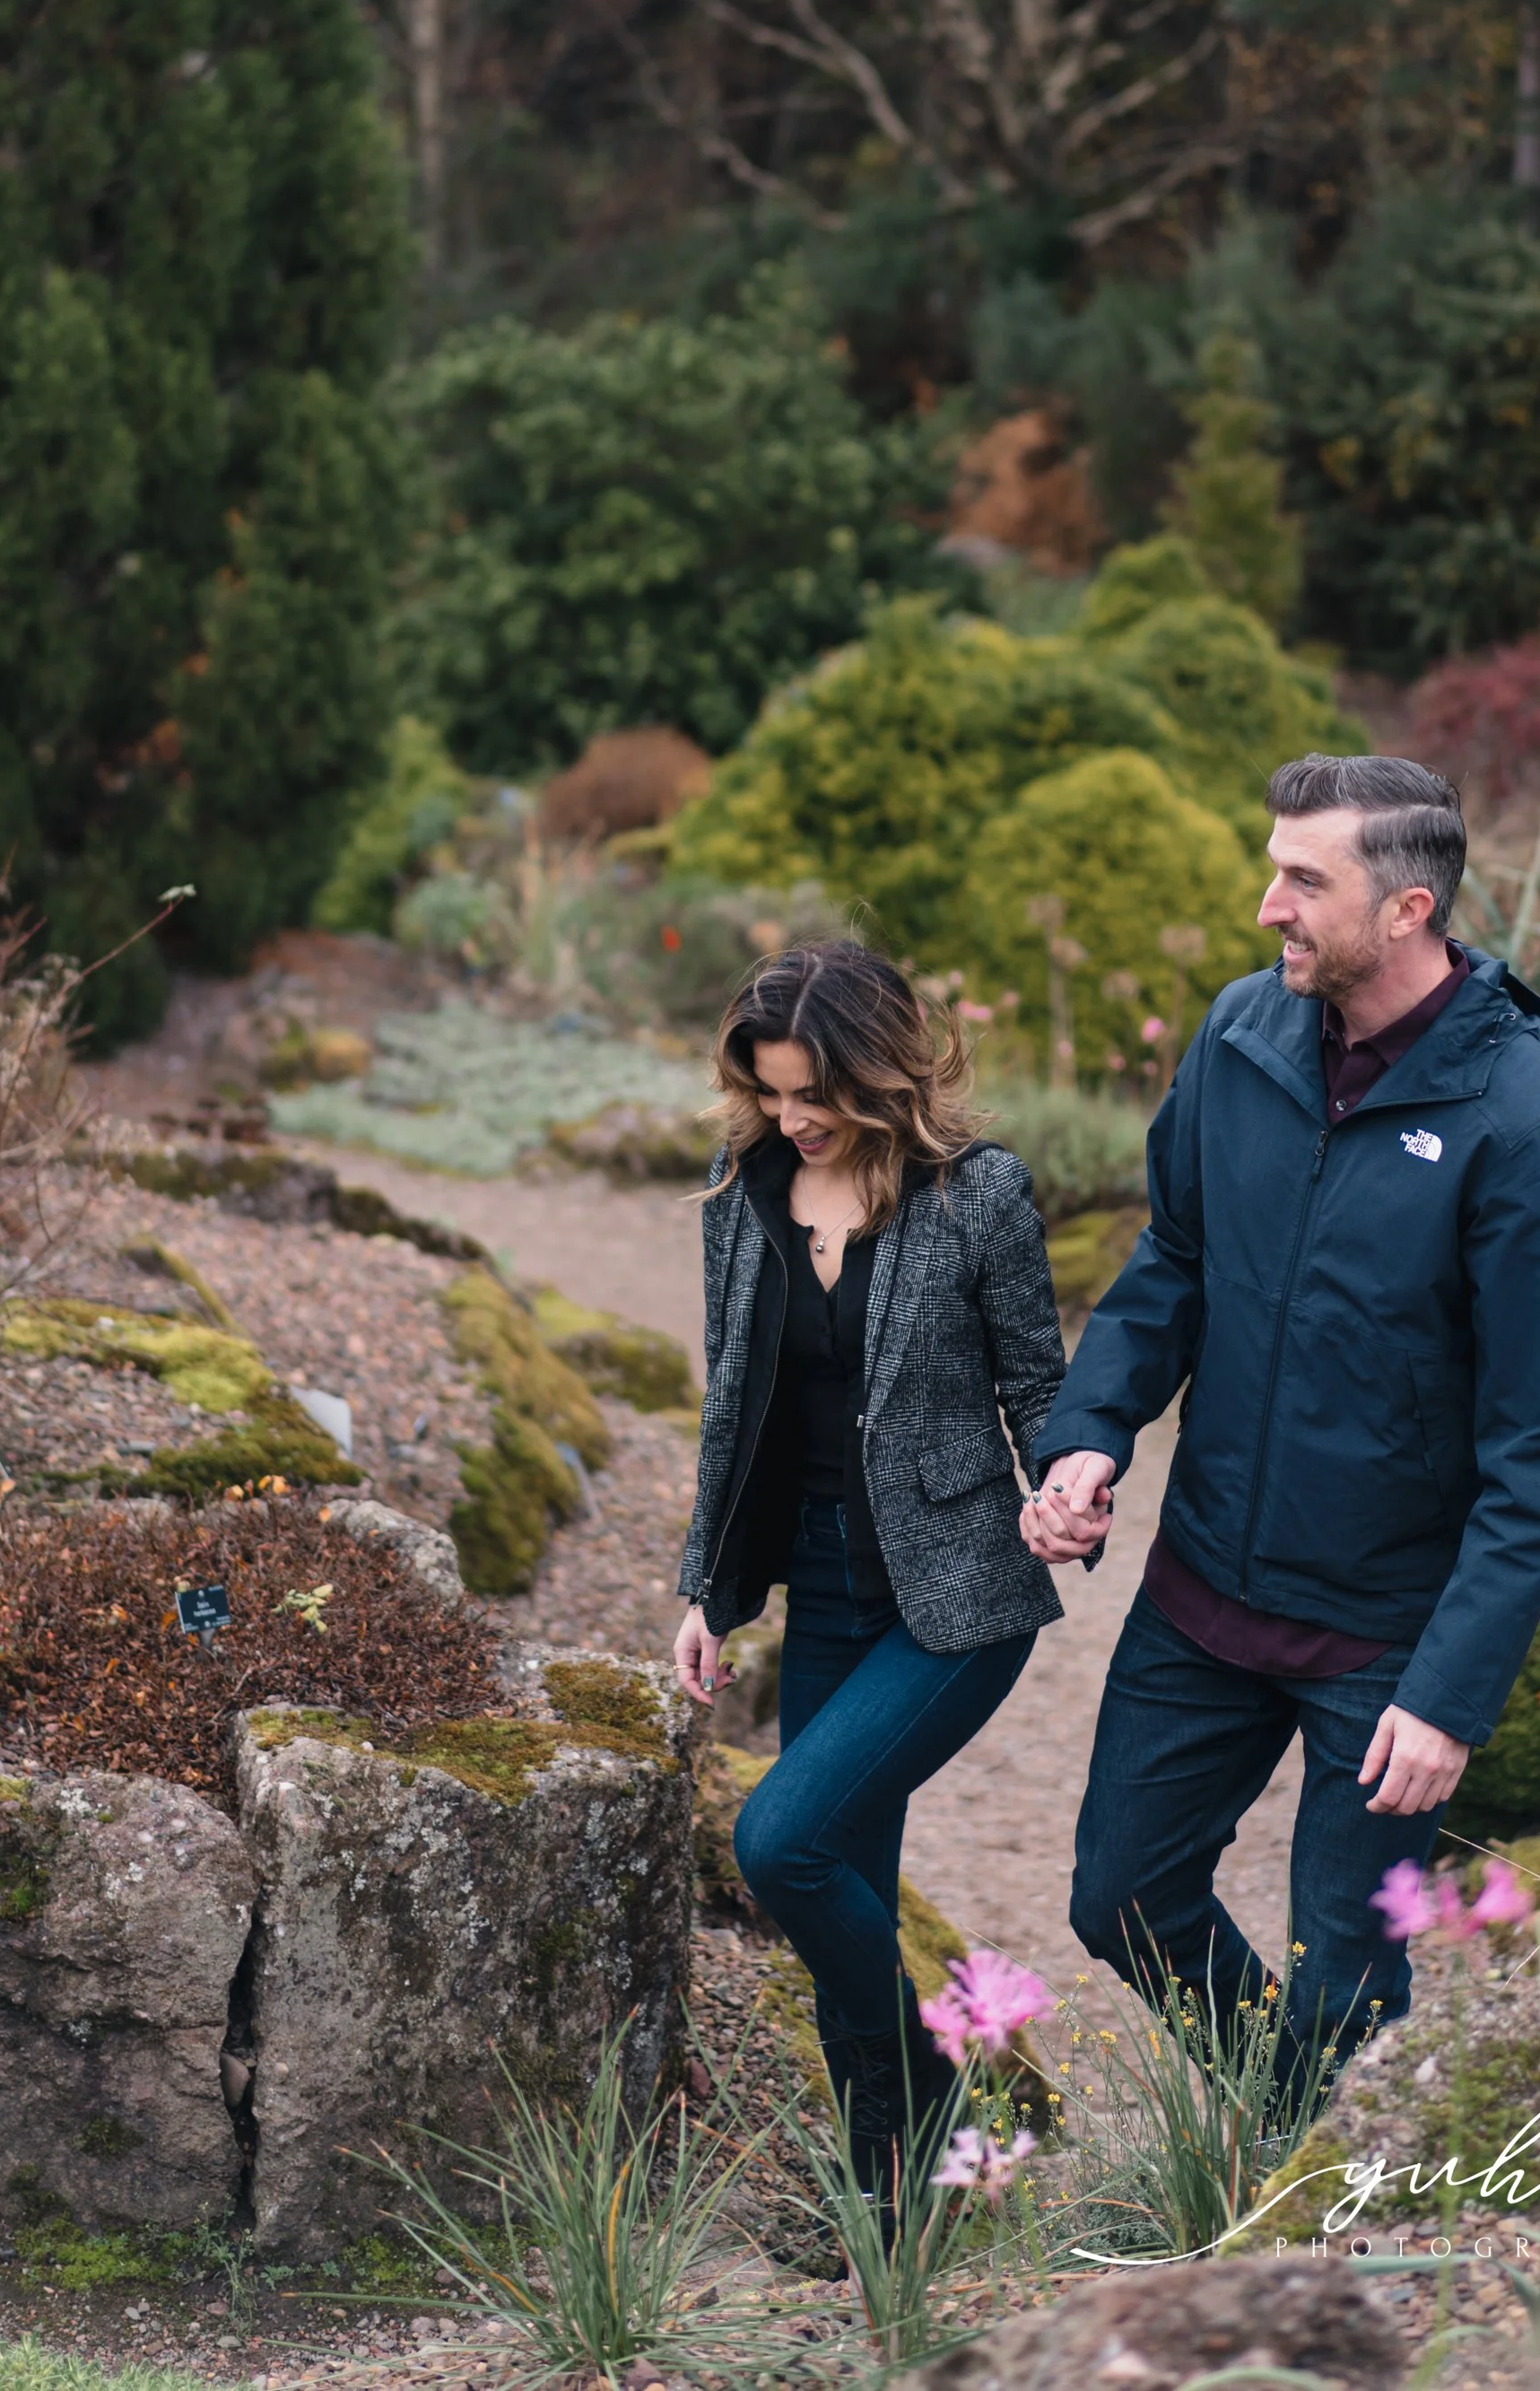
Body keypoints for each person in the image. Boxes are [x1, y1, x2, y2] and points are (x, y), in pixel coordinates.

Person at [1023, 752, 1540, 2100]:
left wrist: (1450, 1694)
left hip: (1385, 1648)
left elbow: (1537, 1459)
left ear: (1407, 910)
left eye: (1303, 879)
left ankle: (1317, 2221)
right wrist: (1090, 1432)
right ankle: (1288, 2122)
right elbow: (1173, 1258)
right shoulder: (1240, 1036)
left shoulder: (1525, 1130)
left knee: (1349, 1981)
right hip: (1204, 1592)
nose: (1265, 906)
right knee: (1119, 1893)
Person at [674, 939, 1066, 2205]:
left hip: (956, 1602)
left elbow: (1039, 1386)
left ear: (879, 1070)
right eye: (771, 1090)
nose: (793, 1117)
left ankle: (943, 2095)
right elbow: (733, 1411)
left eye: (814, 1092)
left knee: (780, 1839)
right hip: (823, 1598)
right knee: (849, 1898)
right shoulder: (742, 1192)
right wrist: (705, 1593)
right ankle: (898, 2216)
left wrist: (1070, 1482)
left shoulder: (976, 1195)